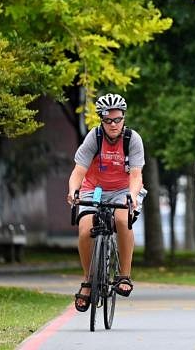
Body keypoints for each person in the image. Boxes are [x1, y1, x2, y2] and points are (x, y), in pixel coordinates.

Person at [66, 93, 145, 312]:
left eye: (117, 119)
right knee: (85, 228)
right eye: (108, 120)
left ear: (124, 118)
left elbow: (136, 175)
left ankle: (124, 275)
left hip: (123, 189)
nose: (113, 124)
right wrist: (73, 190)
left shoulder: (132, 139)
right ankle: (88, 281)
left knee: (122, 219)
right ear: (101, 119)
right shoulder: (94, 137)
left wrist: (132, 195)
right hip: (95, 189)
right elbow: (78, 171)